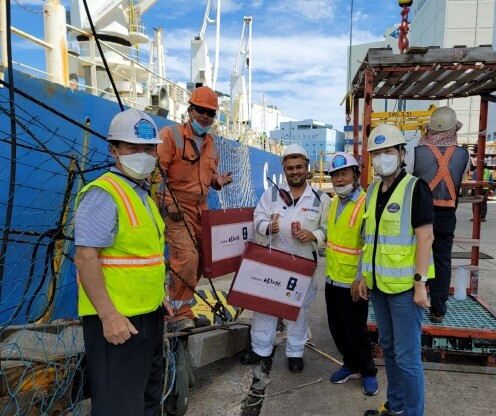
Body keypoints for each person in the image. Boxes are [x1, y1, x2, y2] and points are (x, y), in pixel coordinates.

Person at [74, 109, 174, 415]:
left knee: (146, 400)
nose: (142, 155)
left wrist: (161, 299)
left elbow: (144, 258)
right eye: (132, 148)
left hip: (149, 317)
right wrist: (108, 317)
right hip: (119, 324)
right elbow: (85, 257)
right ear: (114, 150)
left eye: (148, 148)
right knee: (119, 407)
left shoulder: (142, 194)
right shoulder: (105, 194)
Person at [358, 124, 435, 416]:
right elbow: (370, 239)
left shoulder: (416, 188)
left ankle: (412, 413)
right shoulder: (373, 189)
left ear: (402, 153)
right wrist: (363, 276)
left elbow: (426, 238)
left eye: (388, 151)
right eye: (376, 153)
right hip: (379, 287)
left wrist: (419, 284)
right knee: (388, 350)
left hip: (405, 290)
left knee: (407, 357)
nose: (382, 158)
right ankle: (397, 407)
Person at [241, 144, 331, 373]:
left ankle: (295, 352)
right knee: (265, 307)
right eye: (290, 168)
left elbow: (330, 229)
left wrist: (315, 235)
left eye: (299, 167)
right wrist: (267, 227)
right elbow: (257, 220)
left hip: (303, 263)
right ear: (284, 169)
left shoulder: (321, 199)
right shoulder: (271, 195)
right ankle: (261, 348)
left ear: (307, 168)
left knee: (298, 310)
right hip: (274, 261)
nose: (295, 171)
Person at [156, 86, 233, 330]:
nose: (205, 116)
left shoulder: (212, 145)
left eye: (210, 113)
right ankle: (176, 317)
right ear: (190, 110)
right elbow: (157, 174)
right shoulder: (170, 136)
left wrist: (217, 180)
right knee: (187, 258)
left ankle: (181, 308)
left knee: (203, 260)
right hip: (177, 208)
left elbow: (204, 175)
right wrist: (169, 203)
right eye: (200, 110)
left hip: (201, 211)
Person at [405, 106, 469, 323]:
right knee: (442, 261)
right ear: (454, 128)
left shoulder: (416, 152)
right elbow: (462, 177)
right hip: (447, 215)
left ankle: (414, 298)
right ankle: (438, 310)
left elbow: (407, 179)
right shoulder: (463, 154)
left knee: (417, 255)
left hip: (420, 214)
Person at [325, 152, 379, 396]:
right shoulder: (335, 202)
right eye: (335, 175)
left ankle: (368, 371)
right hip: (332, 278)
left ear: (356, 175)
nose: (338, 179)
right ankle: (350, 365)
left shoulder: (365, 203)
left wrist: (360, 279)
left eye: (343, 173)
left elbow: (367, 246)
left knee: (356, 331)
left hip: (352, 282)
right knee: (337, 328)